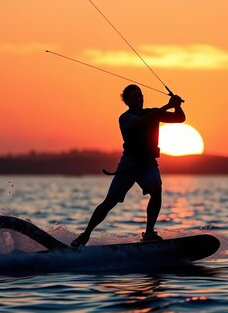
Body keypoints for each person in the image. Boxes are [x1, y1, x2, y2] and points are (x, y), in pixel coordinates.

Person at [71, 84, 186, 247]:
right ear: (127, 101)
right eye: (135, 97)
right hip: (129, 164)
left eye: (140, 96)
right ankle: (85, 235)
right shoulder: (125, 118)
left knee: (156, 189)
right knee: (110, 201)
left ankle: (149, 233)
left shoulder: (152, 112)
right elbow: (142, 123)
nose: (139, 99)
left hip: (147, 163)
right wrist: (168, 105)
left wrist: (177, 106)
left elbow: (179, 119)